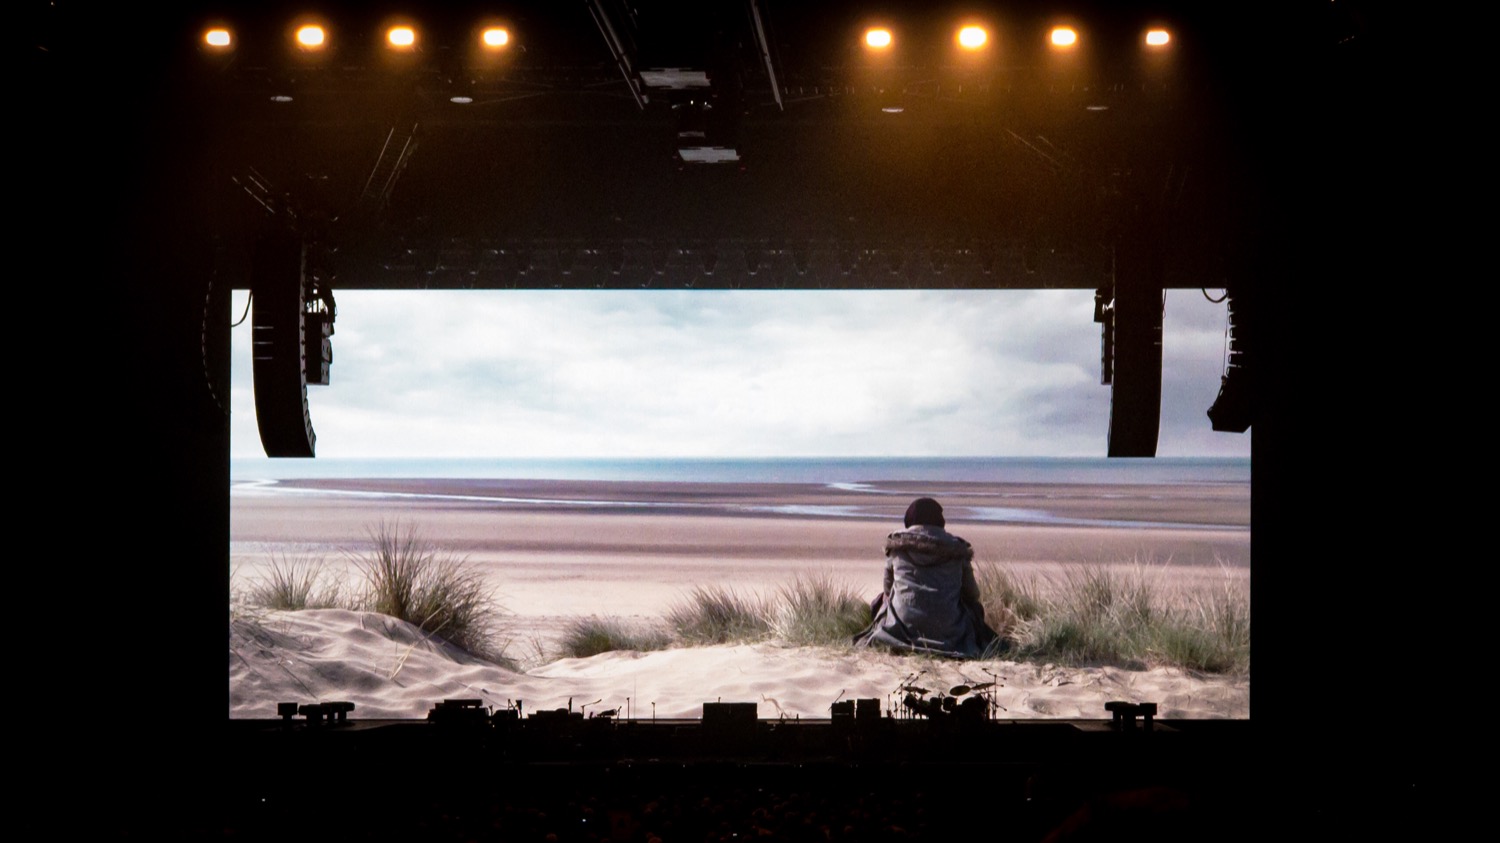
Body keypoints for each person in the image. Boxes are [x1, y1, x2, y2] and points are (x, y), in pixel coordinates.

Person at [852, 497, 998, 658]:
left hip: (902, 628)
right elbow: (972, 594)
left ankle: (897, 636)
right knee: (973, 607)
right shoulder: (957, 549)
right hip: (950, 630)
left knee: (881, 600)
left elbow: (887, 590)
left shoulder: (897, 548)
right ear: (940, 521)